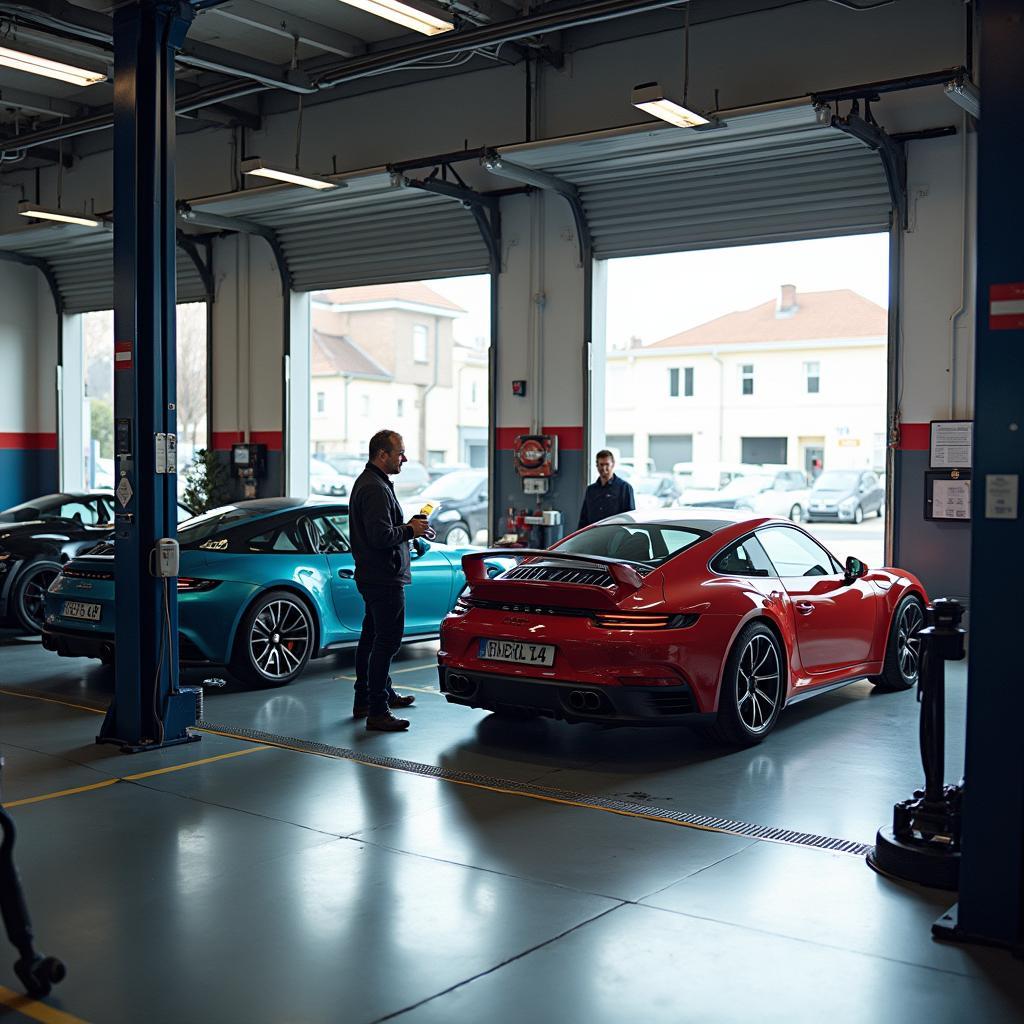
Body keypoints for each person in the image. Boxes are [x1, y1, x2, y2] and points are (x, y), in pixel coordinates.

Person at [348, 430, 433, 732]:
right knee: (386, 641)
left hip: (375, 575)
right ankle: (377, 710)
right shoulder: (374, 488)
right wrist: (410, 531)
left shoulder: (374, 483)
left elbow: (383, 528)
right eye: (400, 453)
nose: (404, 458)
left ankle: (368, 698)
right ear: (382, 455)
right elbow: (380, 536)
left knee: (371, 638)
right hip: (383, 578)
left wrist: (411, 528)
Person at [578, 449, 636, 529]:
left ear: (613, 464)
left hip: (616, 536)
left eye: (607, 464)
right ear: (597, 466)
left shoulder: (624, 488)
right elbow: (584, 518)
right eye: (601, 464)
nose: (604, 468)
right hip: (594, 536)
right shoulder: (590, 490)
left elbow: (629, 518)